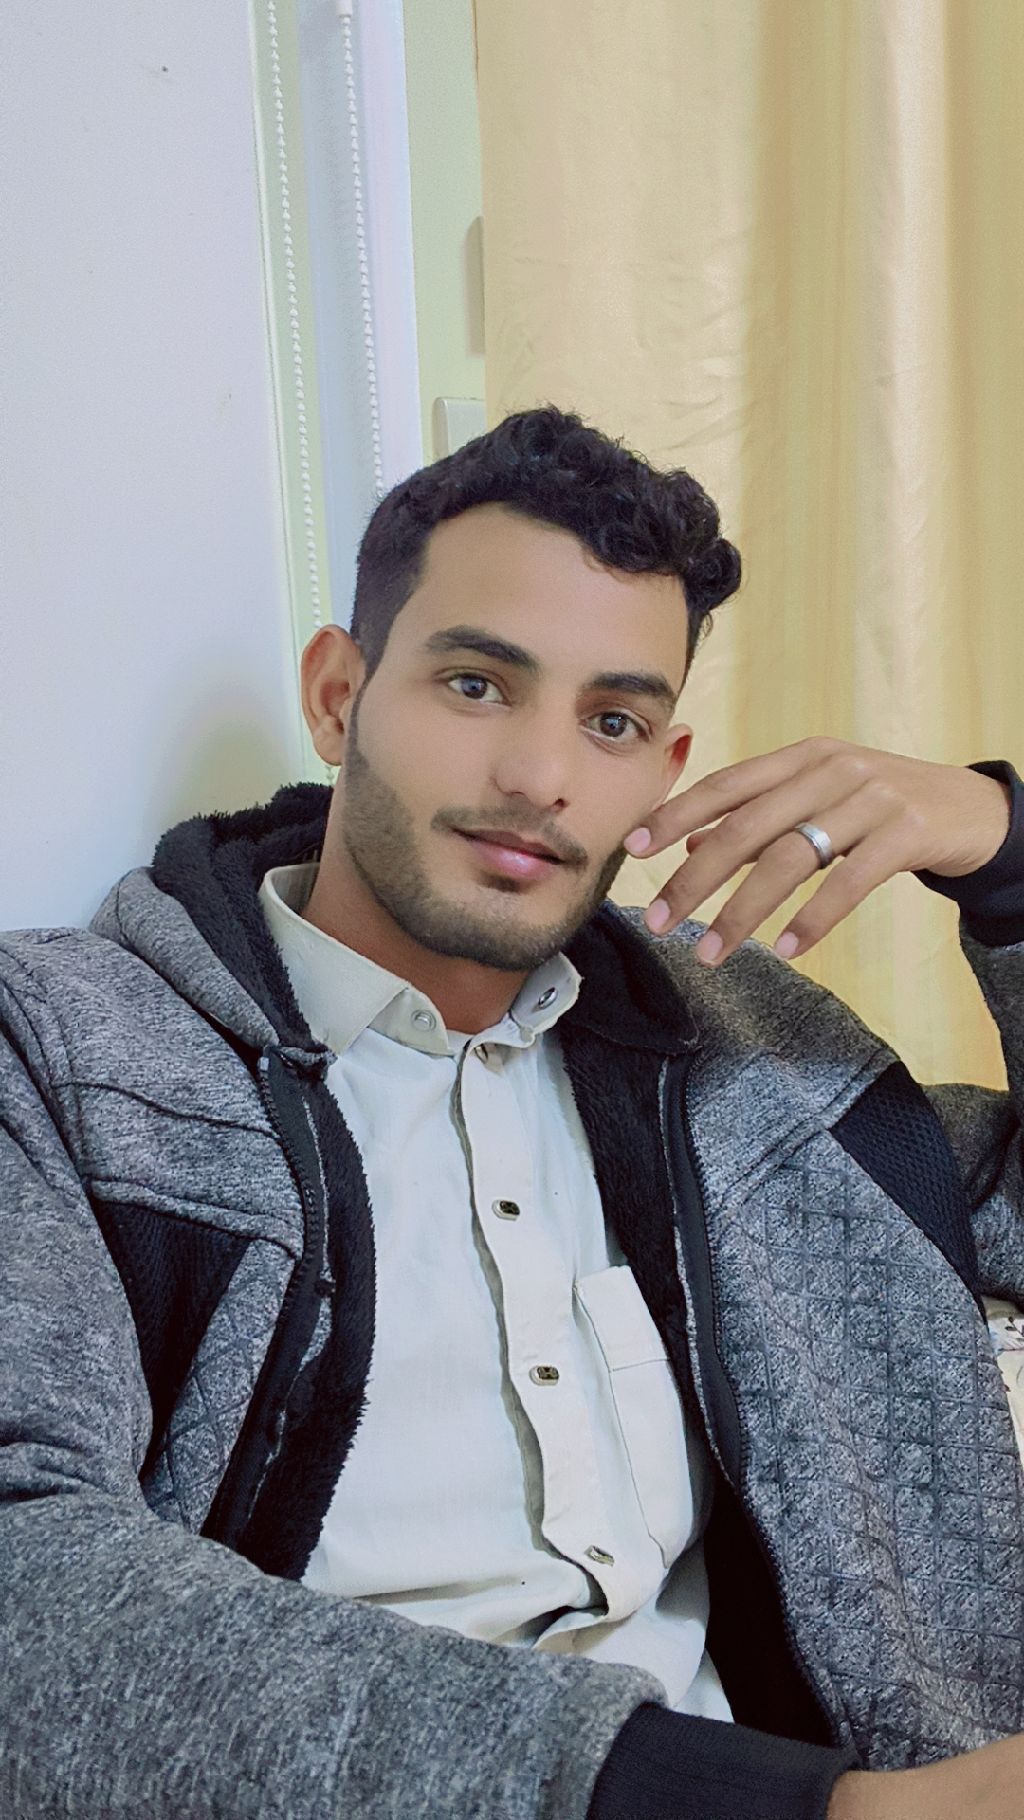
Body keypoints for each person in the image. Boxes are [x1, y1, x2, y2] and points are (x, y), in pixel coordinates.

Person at [2, 407, 1023, 1820]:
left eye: (611, 722)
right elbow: (29, 1577)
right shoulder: (62, 1049)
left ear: (664, 769)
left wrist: (1008, 859)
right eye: (478, 685)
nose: (544, 778)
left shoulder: (749, 1059)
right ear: (337, 695)